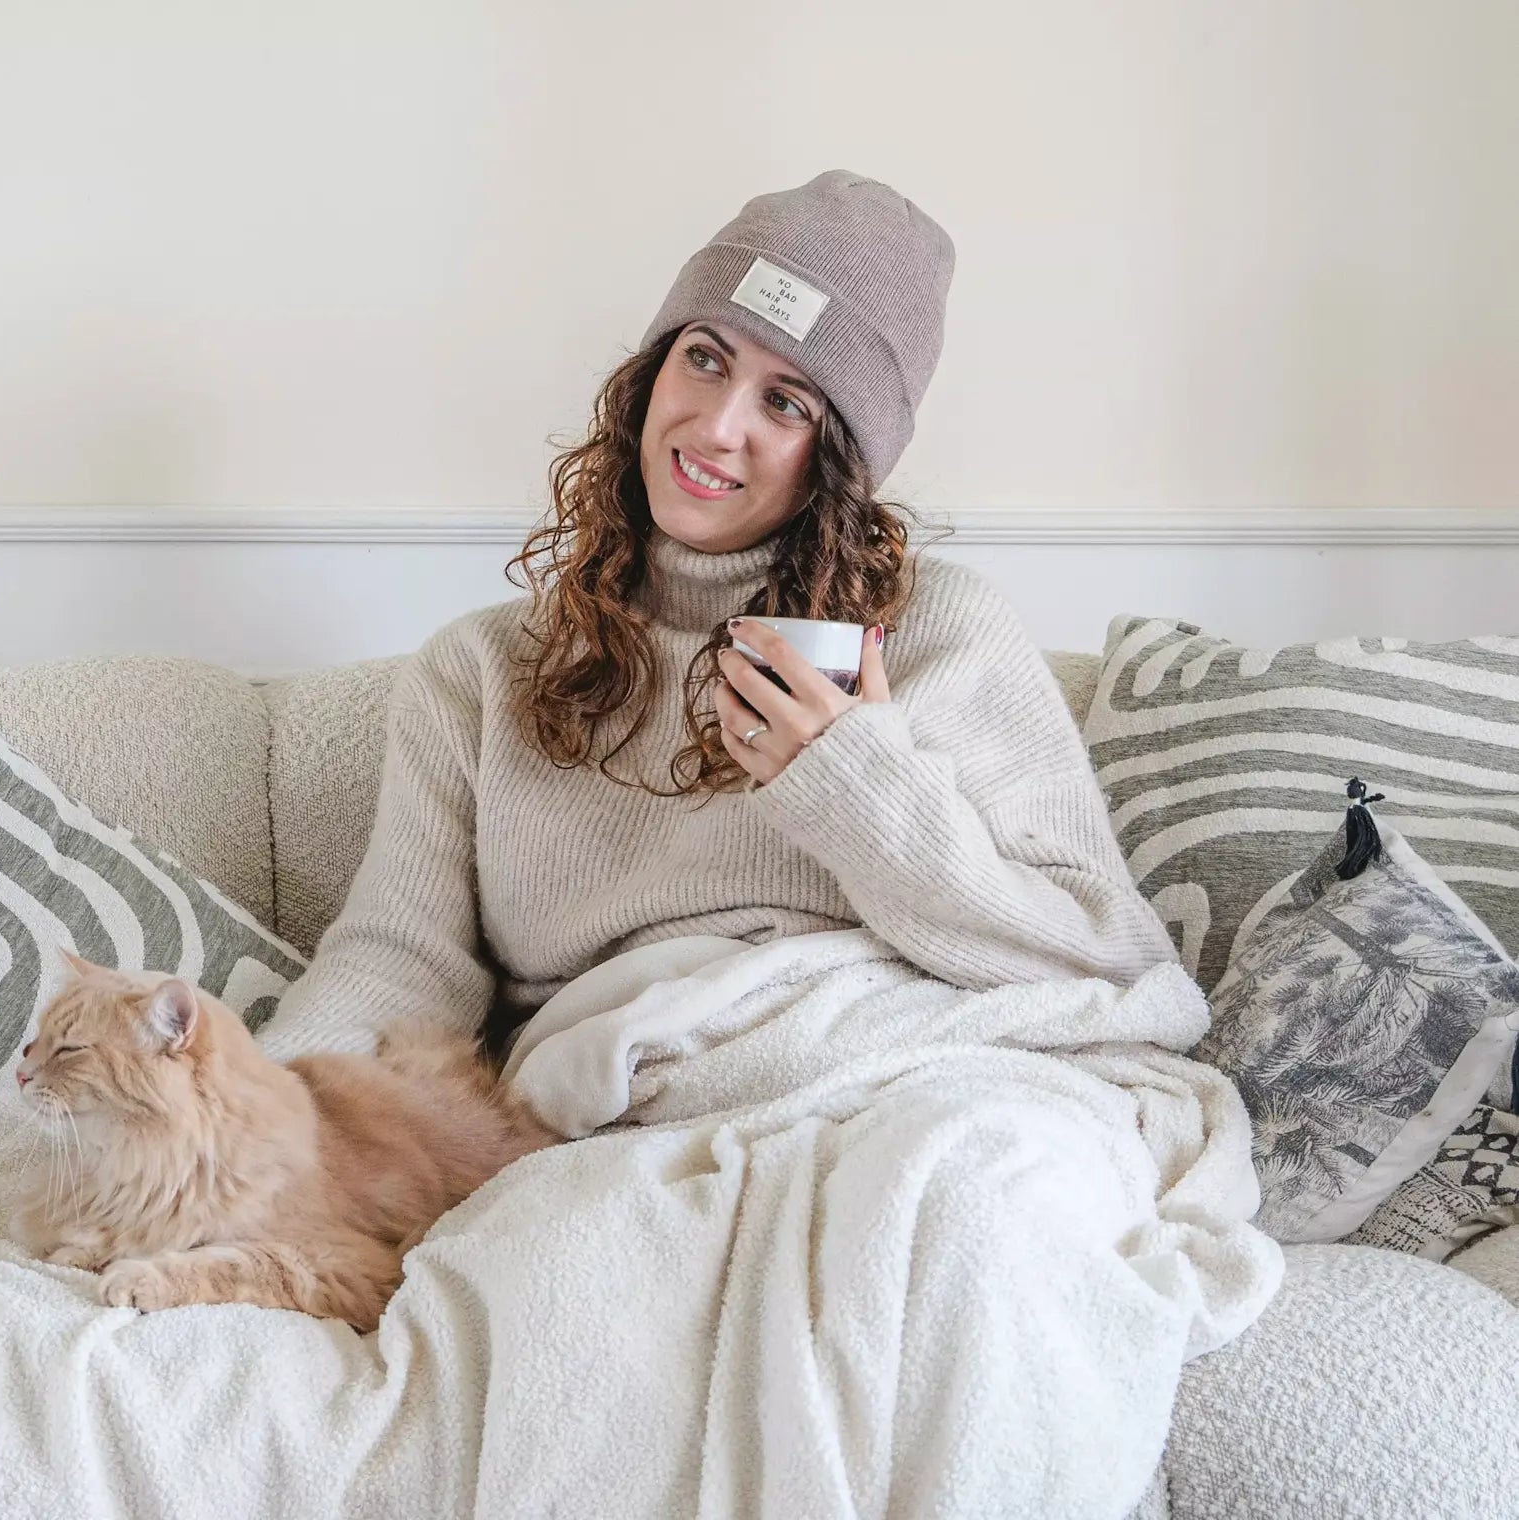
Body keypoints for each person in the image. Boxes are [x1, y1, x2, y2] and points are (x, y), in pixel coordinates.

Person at [258, 169, 1175, 1065]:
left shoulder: (944, 632)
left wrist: (862, 788)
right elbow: (400, 964)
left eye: (784, 402)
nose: (715, 426)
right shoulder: (484, 670)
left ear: (842, 460)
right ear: (651, 373)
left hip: (894, 1068)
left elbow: (1112, 963)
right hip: (628, 1095)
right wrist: (243, 1122)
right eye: (705, 358)